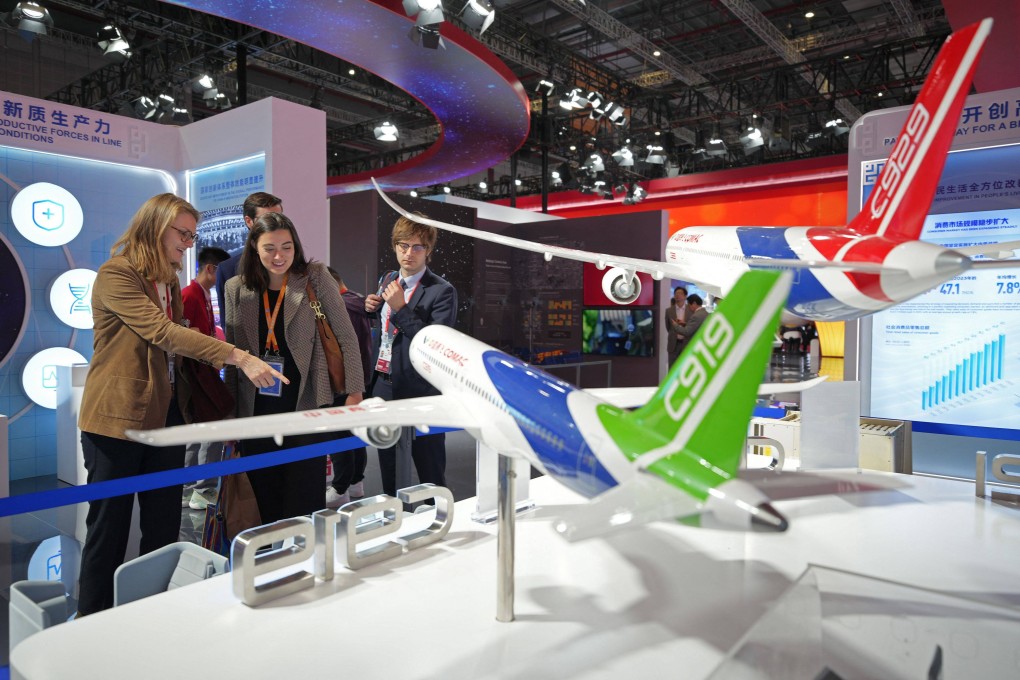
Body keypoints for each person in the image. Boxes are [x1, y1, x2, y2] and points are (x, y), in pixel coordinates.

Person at [76, 193, 287, 616]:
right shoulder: (116, 274)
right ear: (155, 225)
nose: (189, 243)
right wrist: (239, 357)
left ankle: (153, 610)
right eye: (183, 233)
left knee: (162, 522)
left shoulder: (169, 279)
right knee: (108, 526)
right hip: (116, 418)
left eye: (192, 235)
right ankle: (91, 615)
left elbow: (177, 338)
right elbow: (162, 332)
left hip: (167, 415)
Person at [224, 212, 365, 525]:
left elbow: (345, 337)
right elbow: (234, 357)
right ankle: (267, 567)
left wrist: (355, 392)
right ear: (254, 248)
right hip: (257, 409)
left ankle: (302, 565)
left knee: (302, 499)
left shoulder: (314, 276)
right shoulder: (236, 288)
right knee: (264, 497)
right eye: (270, 248)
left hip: (306, 404)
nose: (279, 256)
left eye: (287, 247)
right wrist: (232, 414)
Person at [364, 214, 457, 498]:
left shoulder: (442, 291)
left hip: (421, 389)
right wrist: (372, 309)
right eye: (403, 245)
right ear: (395, 246)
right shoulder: (389, 279)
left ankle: (439, 519)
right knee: (388, 463)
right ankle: (393, 519)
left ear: (428, 250)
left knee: (429, 465)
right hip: (383, 383)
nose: (409, 253)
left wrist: (401, 308)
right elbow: (385, 330)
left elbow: (433, 344)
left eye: (417, 247)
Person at [181, 246, 230, 511]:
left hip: (203, 372)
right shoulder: (189, 295)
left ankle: (191, 489)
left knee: (200, 432)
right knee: (212, 430)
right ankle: (203, 489)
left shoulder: (200, 294)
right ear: (211, 269)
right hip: (198, 374)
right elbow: (188, 338)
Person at [324, 267, 373, 508]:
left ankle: (340, 486)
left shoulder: (341, 307)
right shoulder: (358, 302)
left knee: (339, 434)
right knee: (354, 433)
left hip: (343, 381)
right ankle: (355, 482)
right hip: (361, 379)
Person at [214, 191, 283, 319]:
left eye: (280, 218)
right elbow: (229, 325)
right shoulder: (228, 270)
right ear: (249, 221)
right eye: (267, 219)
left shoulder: (293, 262)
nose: (276, 225)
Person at [665, 286, 688, 366]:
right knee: (672, 367)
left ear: (685, 296)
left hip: (686, 342)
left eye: (680, 293)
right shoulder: (669, 310)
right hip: (673, 344)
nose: (677, 295)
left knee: (685, 367)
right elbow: (668, 327)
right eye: (676, 293)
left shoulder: (691, 310)